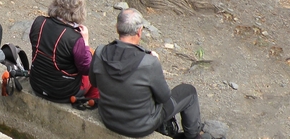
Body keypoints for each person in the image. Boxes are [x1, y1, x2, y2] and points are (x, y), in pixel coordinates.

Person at [89, 9, 209, 139]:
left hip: (109, 119)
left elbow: (94, 82)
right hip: (141, 126)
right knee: (188, 91)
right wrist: (156, 64)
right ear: (139, 31)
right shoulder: (149, 62)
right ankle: (193, 136)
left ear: (117, 27)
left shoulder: (100, 52)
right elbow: (164, 97)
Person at [29, 0, 98, 103]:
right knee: (96, 62)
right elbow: (87, 69)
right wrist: (85, 41)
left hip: (36, 84)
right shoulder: (75, 38)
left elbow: (34, 41)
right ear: (78, 12)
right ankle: (91, 101)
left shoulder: (39, 22)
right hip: (62, 93)